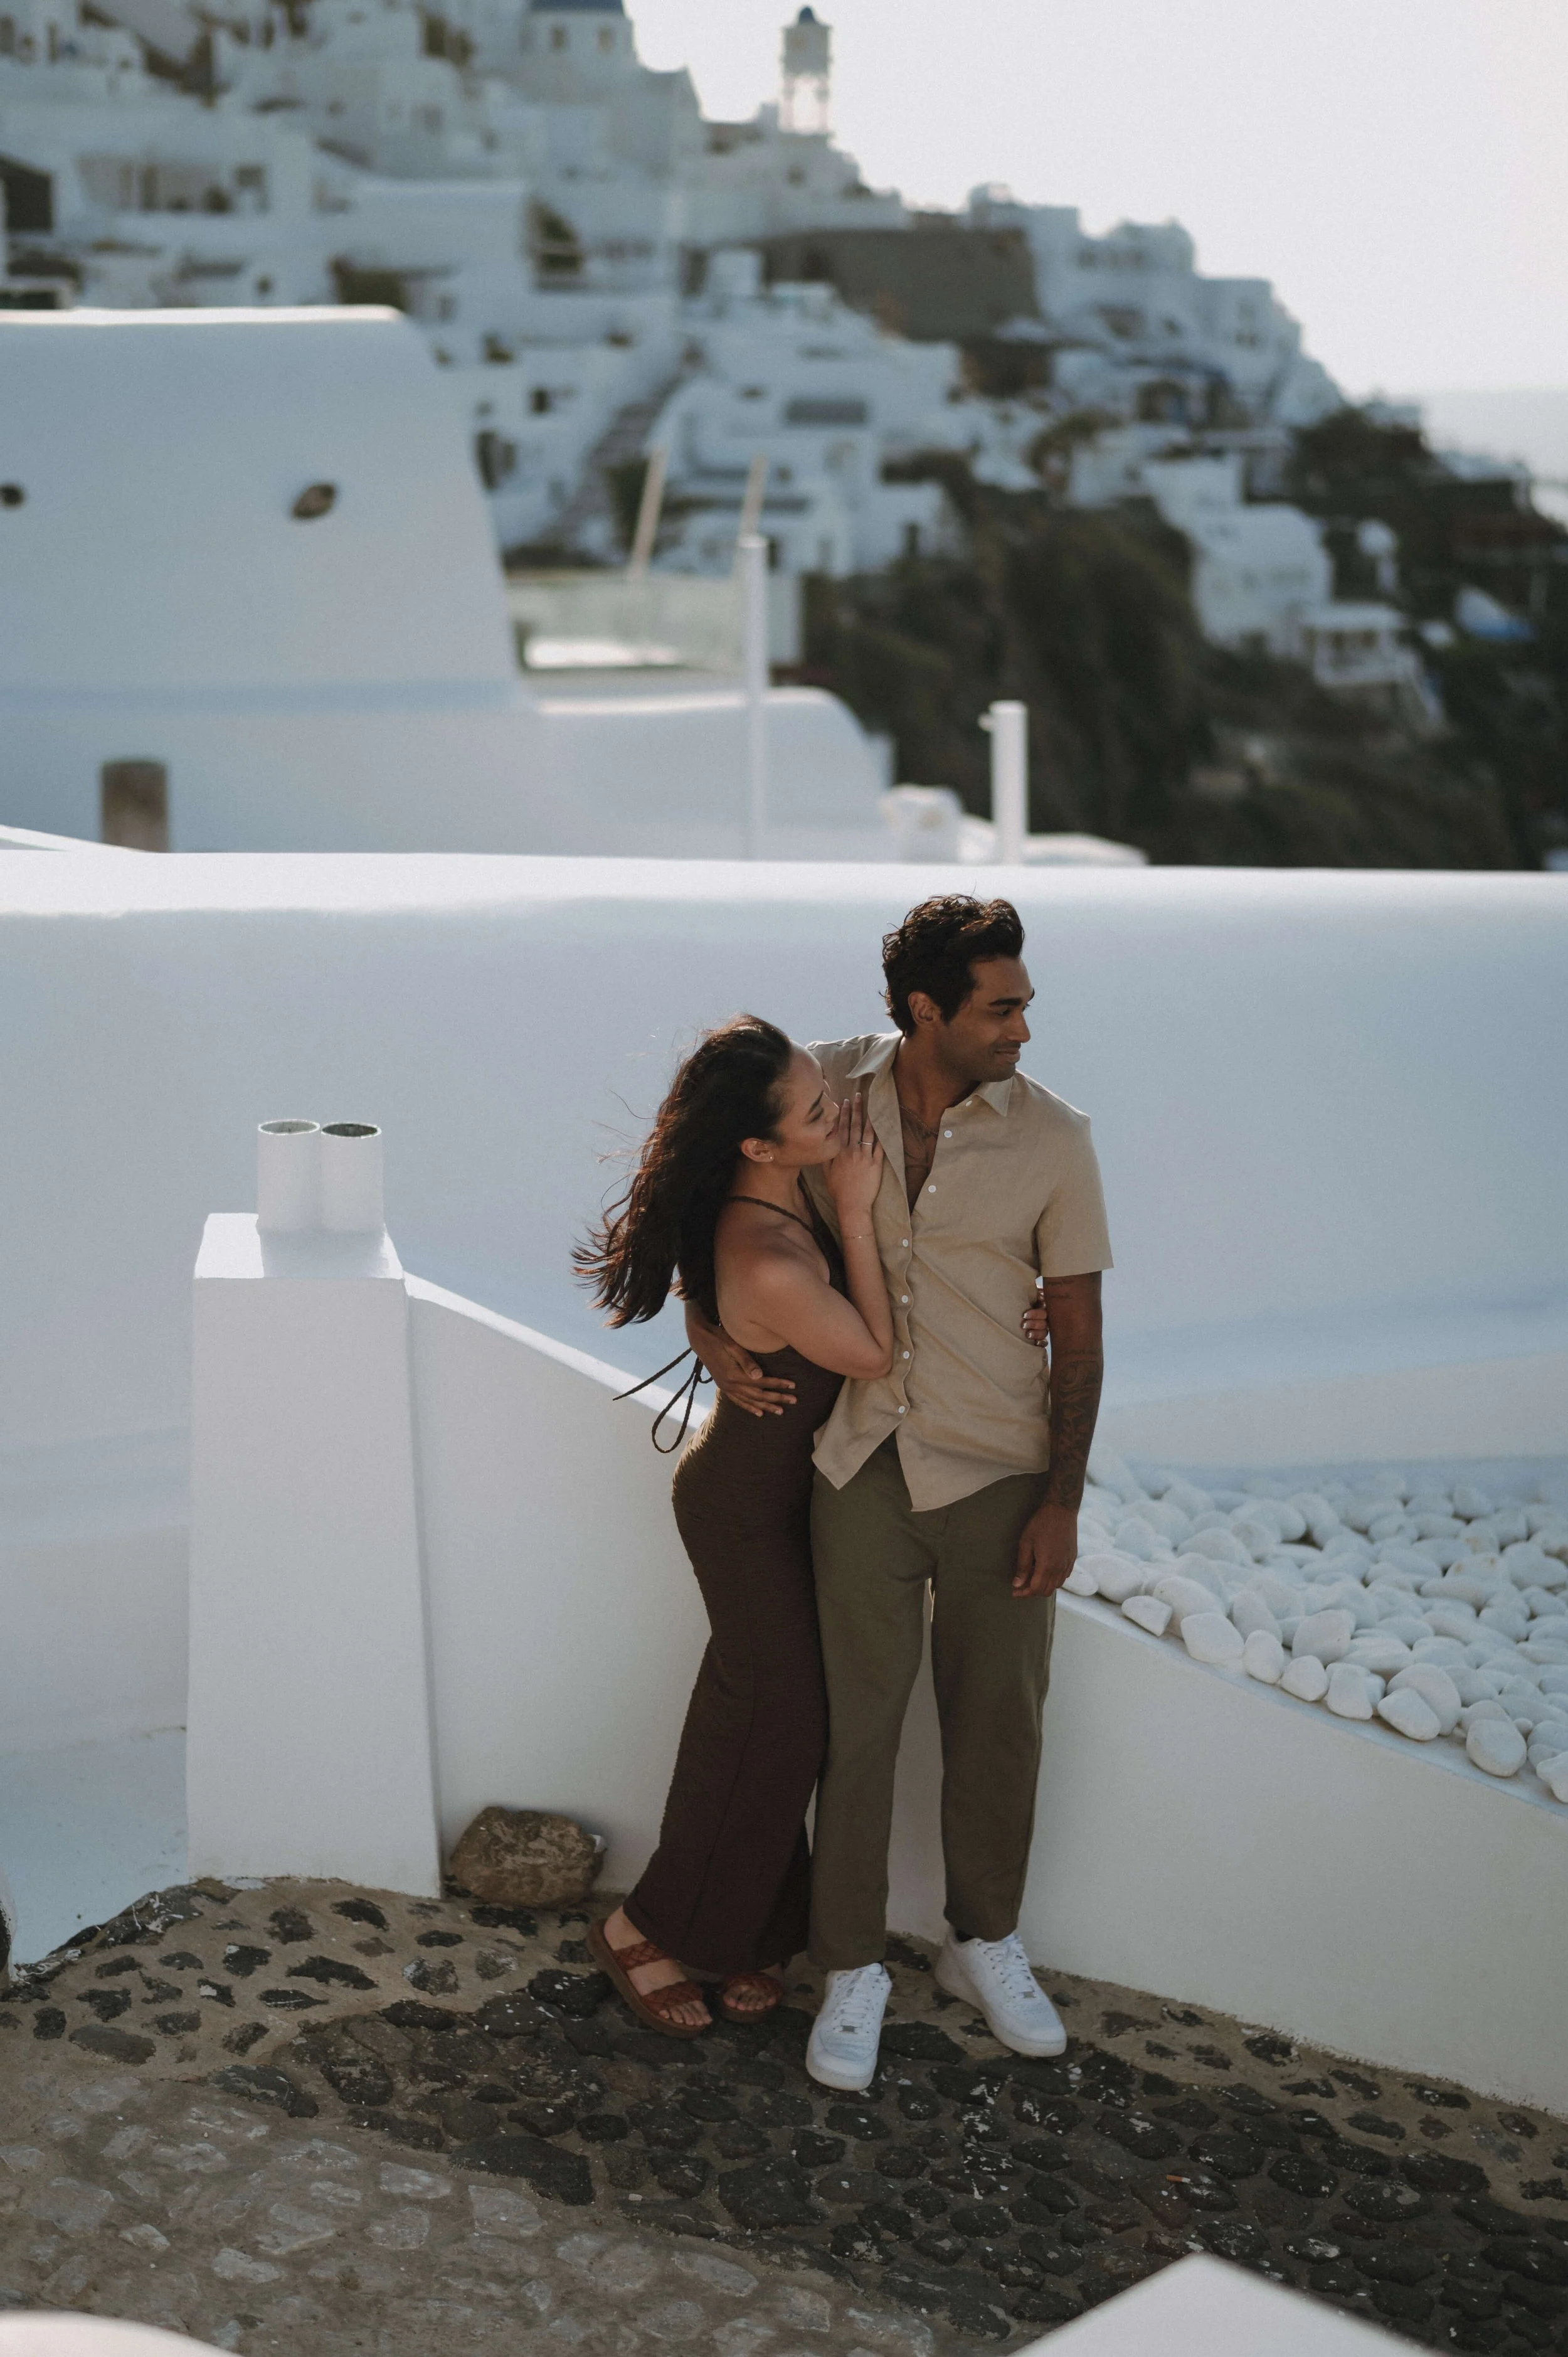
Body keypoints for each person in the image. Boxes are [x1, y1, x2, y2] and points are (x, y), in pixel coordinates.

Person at [687, 896, 1111, 2091]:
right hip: (858, 1463)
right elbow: (714, 1180)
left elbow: (1076, 1331)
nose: (1025, 1028)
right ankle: (852, 1967)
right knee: (855, 1728)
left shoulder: (1057, 1138)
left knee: (998, 1723)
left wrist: (1062, 1499)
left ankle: (987, 1942)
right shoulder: (819, 1086)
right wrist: (704, 1322)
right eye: (1002, 1007)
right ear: (927, 1009)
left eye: (1024, 1003)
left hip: (999, 1465)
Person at [574, 1014, 894, 2035]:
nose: (835, 1109)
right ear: (760, 1146)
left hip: (776, 1498)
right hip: (745, 1511)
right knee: (782, 1720)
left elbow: (701, 1275)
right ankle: (647, 1928)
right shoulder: (773, 1250)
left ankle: (751, 1931)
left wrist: (706, 1330)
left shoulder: (754, 1182)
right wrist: (854, 1206)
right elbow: (874, 1355)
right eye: (814, 1109)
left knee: (760, 1716)